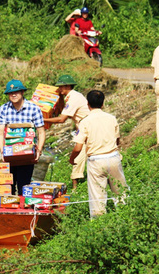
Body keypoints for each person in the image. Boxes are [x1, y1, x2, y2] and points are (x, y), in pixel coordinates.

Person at [69, 90, 128, 218]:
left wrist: (72, 159)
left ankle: (99, 224)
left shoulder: (85, 121)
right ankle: (126, 217)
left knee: (97, 197)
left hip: (96, 161)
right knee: (120, 192)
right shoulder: (111, 118)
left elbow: (78, 147)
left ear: (88, 104)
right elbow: (117, 139)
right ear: (103, 104)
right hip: (113, 158)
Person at [0, 79, 45, 195]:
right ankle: (11, 210)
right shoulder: (3, 109)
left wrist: (39, 150)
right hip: (10, 154)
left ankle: (24, 210)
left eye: (17, 92)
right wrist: (2, 151)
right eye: (11, 93)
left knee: (24, 187)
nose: (14, 95)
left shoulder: (34, 109)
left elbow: (41, 132)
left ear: (22, 92)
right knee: (9, 187)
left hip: (27, 155)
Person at [44, 74, 90, 189]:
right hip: (85, 130)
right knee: (79, 158)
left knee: (78, 156)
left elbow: (61, 119)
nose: (59, 89)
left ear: (67, 86)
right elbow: (61, 110)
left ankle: (76, 188)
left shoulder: (73, 98)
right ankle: (76, 188)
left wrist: (42, 119)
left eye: (61, 87)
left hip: (88, 130)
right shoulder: (71, 96)